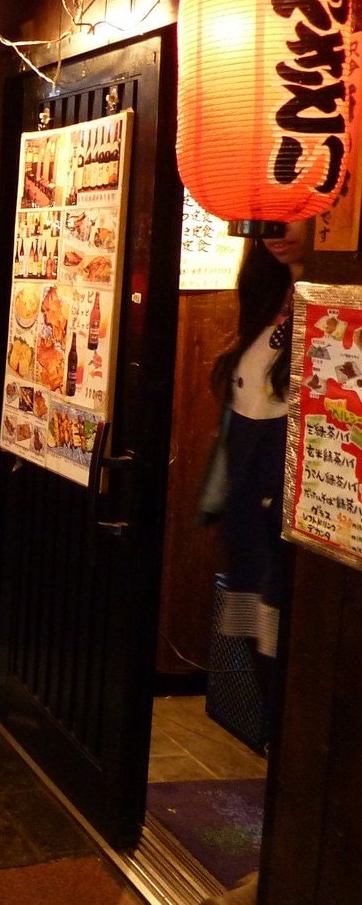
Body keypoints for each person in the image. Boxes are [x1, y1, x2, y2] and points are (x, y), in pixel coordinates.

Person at [207, 220, 306, 758]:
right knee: (257, 645)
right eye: (266, 213)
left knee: (288, 652)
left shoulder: (330, 304)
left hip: (287, 521)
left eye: (294, 211)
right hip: (249, 519)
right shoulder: (270, 298)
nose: (276, 227)